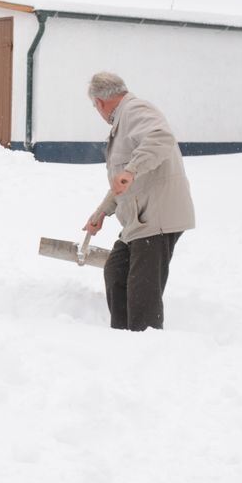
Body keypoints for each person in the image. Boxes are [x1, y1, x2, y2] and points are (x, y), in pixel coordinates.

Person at [82, 72, 195, 331]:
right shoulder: (123, 122)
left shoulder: (135, 110)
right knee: (116, 273)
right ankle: (124, 337)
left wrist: (131, 170)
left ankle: (145, 344)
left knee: (142, 289)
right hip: (138, 219)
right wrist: (100, 213)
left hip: (157, 217)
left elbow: (161, 137)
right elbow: (122, 183)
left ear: (99, 102)